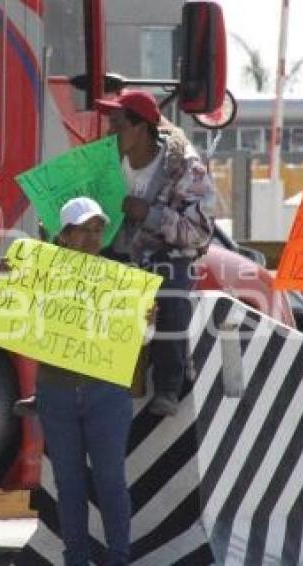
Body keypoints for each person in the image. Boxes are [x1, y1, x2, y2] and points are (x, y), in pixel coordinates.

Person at [96, 89, 219, 416]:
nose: (110, 133)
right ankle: (54, 386)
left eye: (118, 125)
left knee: (168, 294)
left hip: (166, 258)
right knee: (67, 282)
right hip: (114, 254)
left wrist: (149, 215)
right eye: (110, 125)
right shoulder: (102, 163)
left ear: (142, 128)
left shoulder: (185, 168)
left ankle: (169, 387)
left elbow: (200, 232)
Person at [33, 197, 133, 565]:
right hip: (56, 391)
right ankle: (75, 557)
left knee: (110, 480)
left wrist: (144, 319)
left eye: (97, 229)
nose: (92, 237)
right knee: (69, 483)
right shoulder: (39, 274)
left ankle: (118, 557)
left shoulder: (122, 277)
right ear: (65, 235)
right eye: (83, 230)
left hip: (105, 392)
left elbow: (144, 335)